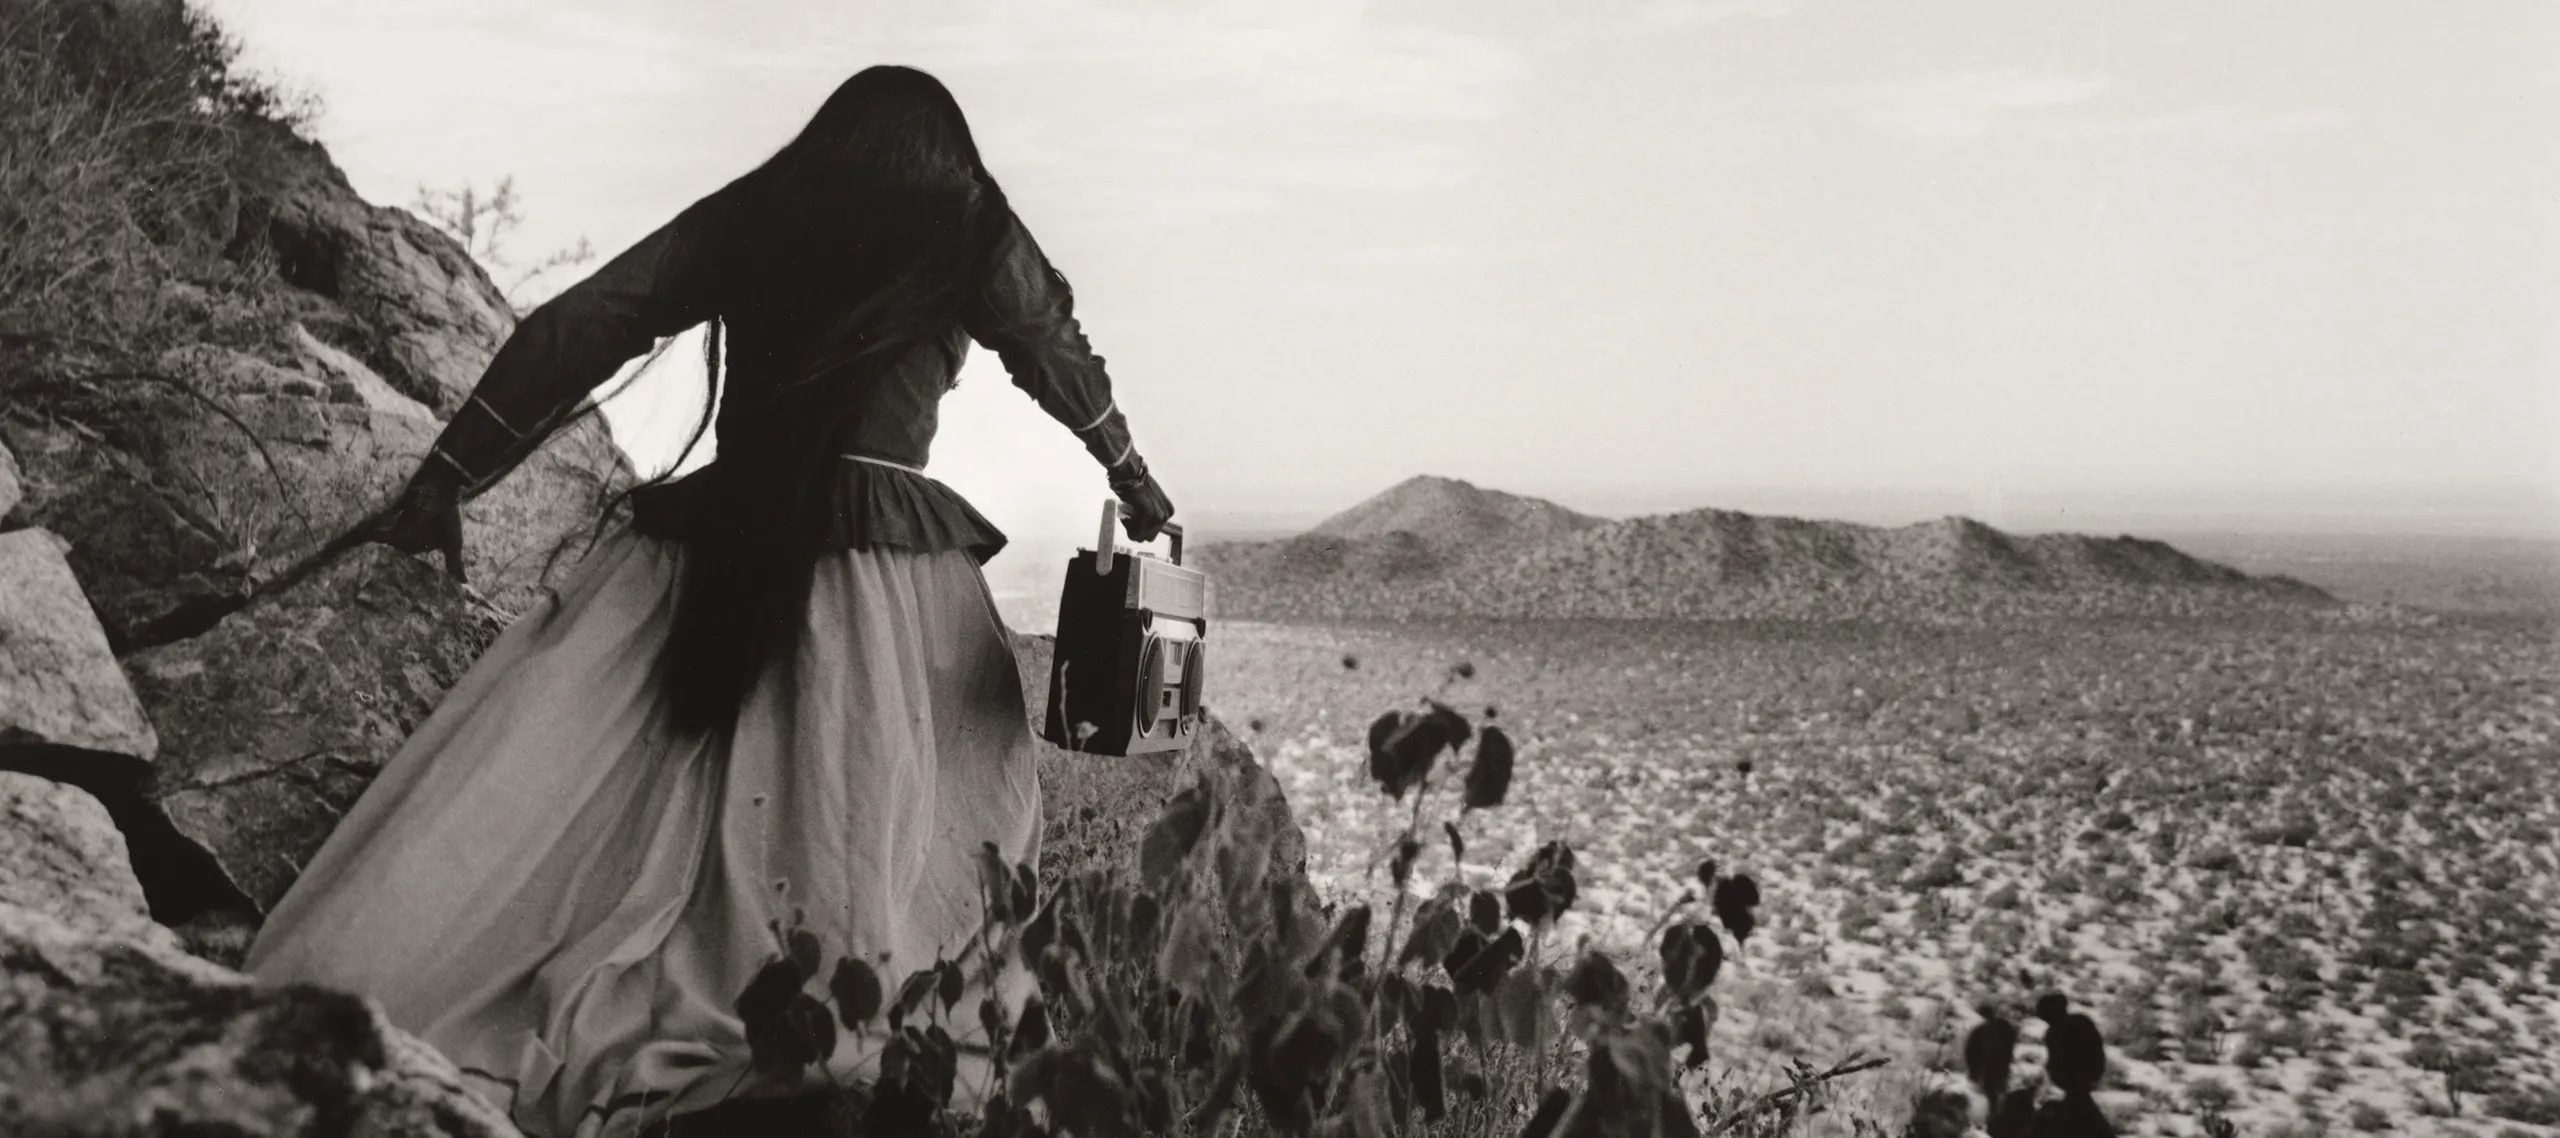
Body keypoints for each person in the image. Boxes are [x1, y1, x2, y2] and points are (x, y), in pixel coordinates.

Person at [242, 65, 1175, 1138]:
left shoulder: (766, 208)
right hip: (889, 575)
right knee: (903, 818)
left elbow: (587, 321)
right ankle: (847, 1028)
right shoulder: (967, 223)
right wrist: (1134, 478)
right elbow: (1053, 347)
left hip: (718, 541)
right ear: (951, 158)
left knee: (583, 793)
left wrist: (452, 471)